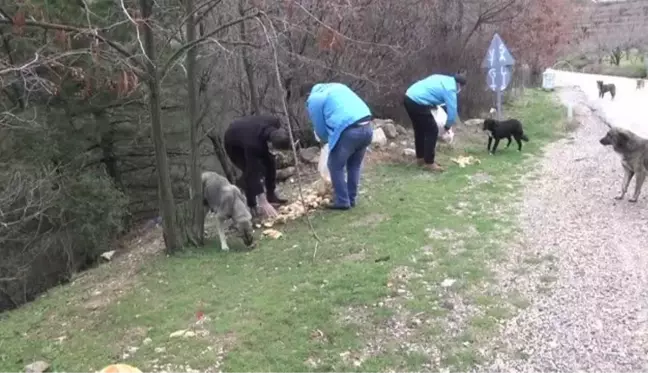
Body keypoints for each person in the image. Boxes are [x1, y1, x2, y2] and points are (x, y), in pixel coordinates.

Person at [304, 82, 374, 210]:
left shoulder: (315, 98)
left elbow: (319, 127)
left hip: (349, 130)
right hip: (367, 126)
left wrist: (325, 140)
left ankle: (342, 200)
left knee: (335, 165)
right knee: (354, 165)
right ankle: (351, 198)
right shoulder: (338, 87)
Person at [222, 115, 291, 218]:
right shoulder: (253, 145)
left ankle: (271, 195)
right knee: (250, 171)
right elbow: (253, 172)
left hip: (250, 132)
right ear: (270, 143)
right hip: (233, 142)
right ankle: (252, 204)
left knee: (270, 162)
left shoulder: (275, 122)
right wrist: (263, 201)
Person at [403, 72, 467, 172]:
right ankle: (429, 163)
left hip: (408, 97)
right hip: (418, 101)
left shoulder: (442, 78)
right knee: (432, 131)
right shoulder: (450, 89)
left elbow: (430, 91)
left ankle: (420, 158)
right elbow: (452, 111)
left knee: (420, 130)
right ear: (459, 85)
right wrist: (447, 126)